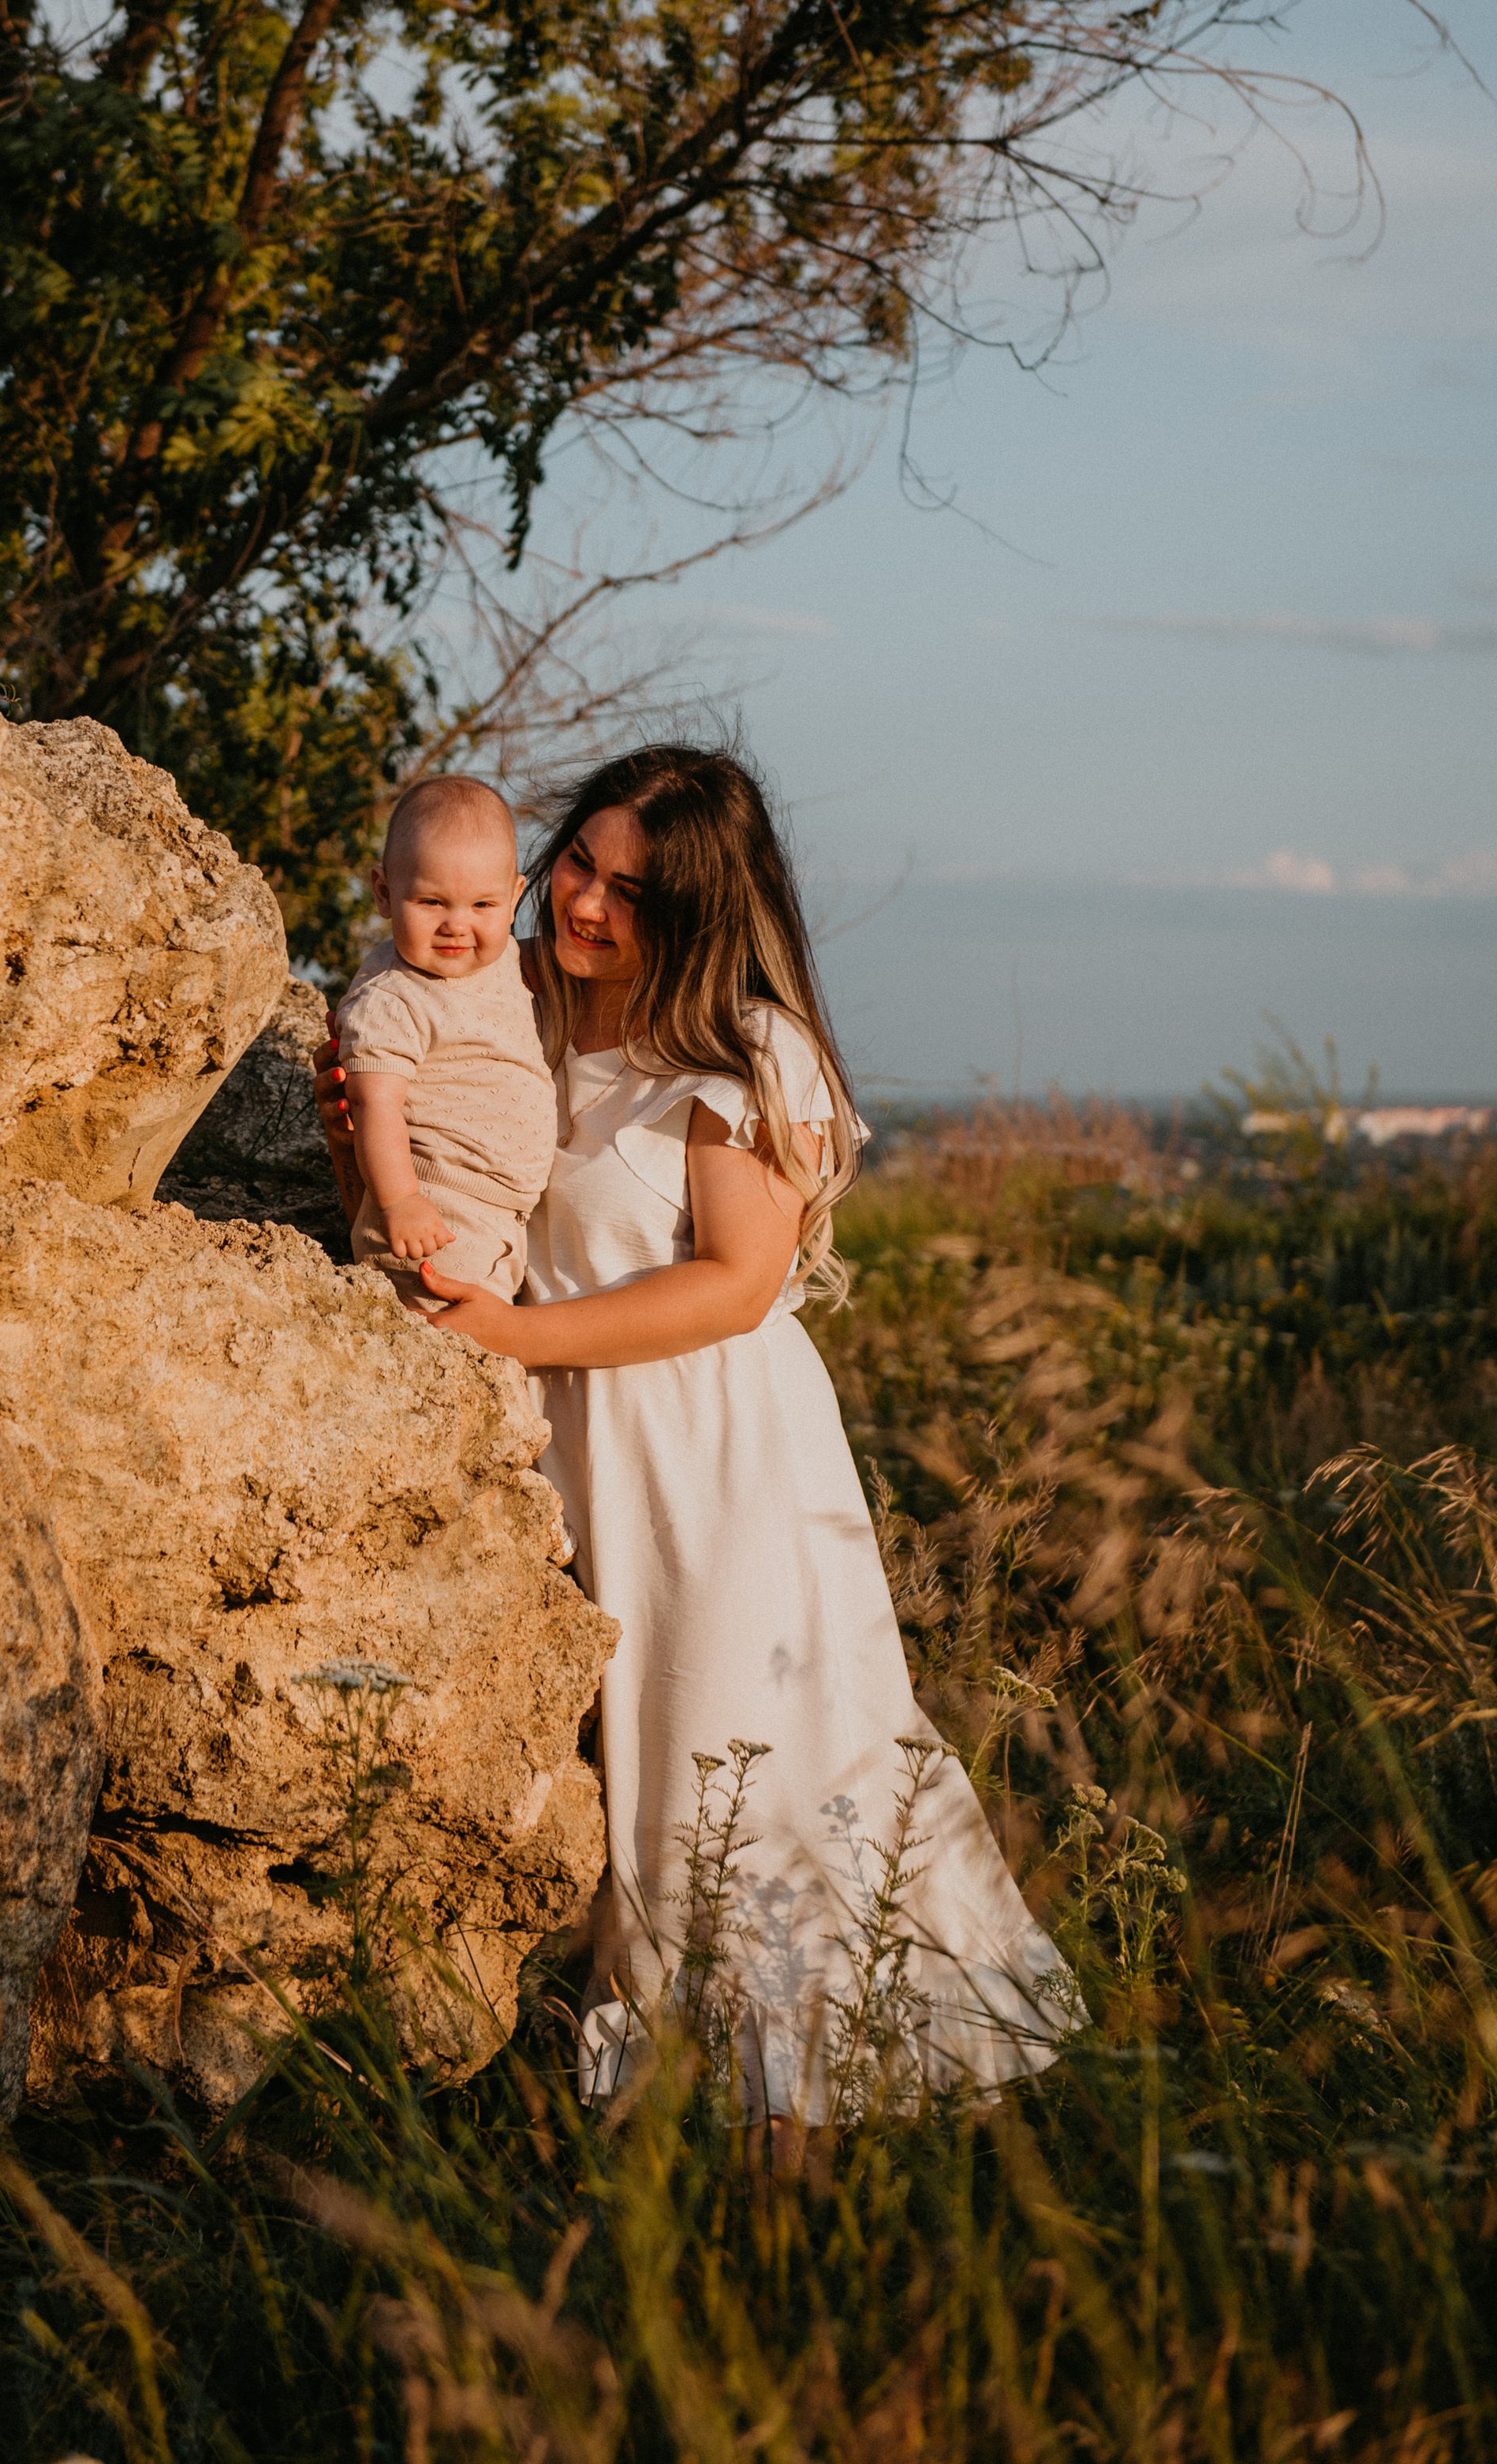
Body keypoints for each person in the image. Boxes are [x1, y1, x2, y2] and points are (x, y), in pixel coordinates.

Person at [319, 746, 1076, 2122]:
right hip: (566, 1447)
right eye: (579, 864)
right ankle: (627, 2117)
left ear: (703, 909)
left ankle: (785, 2137)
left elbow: (734, 1284)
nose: (586, 905)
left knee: (729, 1770)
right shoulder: (503, 999)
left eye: (632, 892)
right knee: (612, 1786)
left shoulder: (744, 1050)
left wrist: (508, 1337)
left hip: (713, 1454)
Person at [331, 775, 558, 1314]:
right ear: (384, 893)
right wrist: (401, 1200)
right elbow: (373, 1102)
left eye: (482, 904)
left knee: (481, 1342)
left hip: (498, 1215)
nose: (457, 925)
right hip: (435, 1208)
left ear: (514, 898)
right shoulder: (393, 997)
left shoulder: (503, 960)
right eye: (432, 902)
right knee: (438, 1333)